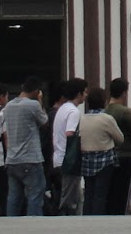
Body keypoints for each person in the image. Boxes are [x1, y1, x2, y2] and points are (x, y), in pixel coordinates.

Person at [1, 77, 50, 217]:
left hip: (12, 158)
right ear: (36, 91)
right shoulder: (32, 105)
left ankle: (11, 224)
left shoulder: (9, 106)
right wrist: (40, 101)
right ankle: (33, 226)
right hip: (30, 158)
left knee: (14, 197)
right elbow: (45, 122)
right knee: (35, 194)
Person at [78, 87, 125, 216]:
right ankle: (98, 220)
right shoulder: (106, 119)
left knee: (89, 193)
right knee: (100, 194)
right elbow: (120, 138)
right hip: (104, 159)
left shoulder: (81, 119)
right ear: (104, 101)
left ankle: (86, 217)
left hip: (86, 159)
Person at [104, 78, 131, 216]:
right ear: (124, 93)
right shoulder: (126, 112)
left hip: (109, 155)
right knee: (124, 193)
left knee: (112, 191)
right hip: (126, 154)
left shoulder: (105, 111)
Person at [50, 78, 86, 216]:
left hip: (58, 158)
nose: (86, 95)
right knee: (69, 201)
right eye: (85, 92)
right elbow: (70, 133)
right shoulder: (73, 112)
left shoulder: (62, 109)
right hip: (69, 161)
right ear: (79, 94)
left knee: (75, 198)